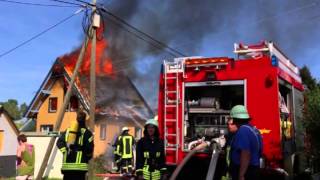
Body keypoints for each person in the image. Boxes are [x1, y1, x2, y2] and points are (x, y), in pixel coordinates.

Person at [56, 111, 94, 180]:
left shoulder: (68, 131)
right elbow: (89, 149)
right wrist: (86, 157)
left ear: (76, 119)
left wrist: (65, 151)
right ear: (85, 120)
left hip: (67, 168)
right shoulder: (87, 133)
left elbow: (59, 142)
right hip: (80, 169)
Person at [229, 105, 263, 180]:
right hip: (254, 168)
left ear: (236, 119)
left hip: (246, 171)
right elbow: (260, 151)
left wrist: (241, 175)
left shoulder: (243, 131)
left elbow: (245, 154)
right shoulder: (254, 129)